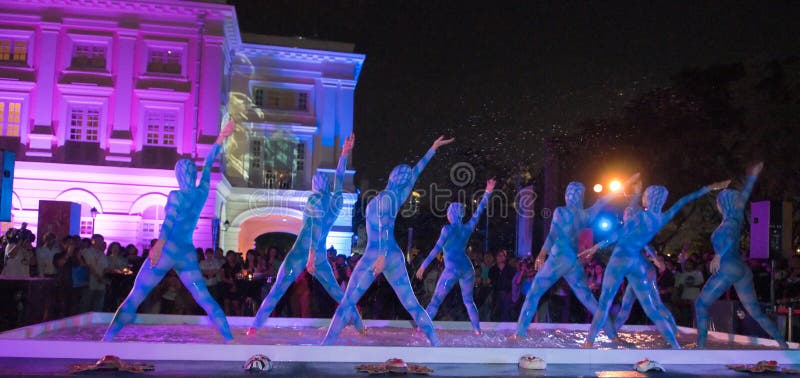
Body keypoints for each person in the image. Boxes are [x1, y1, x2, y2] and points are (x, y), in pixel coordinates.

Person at [102, 116, 235, 342]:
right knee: (204, 297)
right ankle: (230, 339)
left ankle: (107, 339)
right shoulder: (201, 193)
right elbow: (209, 162)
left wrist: (157, 247)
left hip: (168, 248)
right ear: (192, 174)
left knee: (136, 295)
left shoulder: (177, 196)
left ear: (179, 175)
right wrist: (222, 136)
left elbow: (168, 223)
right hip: (186, 251)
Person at [323, 136, 454, 346]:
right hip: (393, 255)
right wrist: (432, 149)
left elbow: (384, 226)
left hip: (379, 254)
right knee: (410, 302)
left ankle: (326, 345)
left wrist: (381, 256)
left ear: (392, 176)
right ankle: (436, 343)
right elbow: (416, 172)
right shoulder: (398, 195)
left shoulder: (386, 198)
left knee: (349, 300)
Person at [581, 178, 729, 349]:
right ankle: (676, 346)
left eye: (644, 195)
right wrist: (709, 187)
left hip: (620, 258)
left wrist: (595, 247)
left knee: (605, 301)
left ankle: (589, 342)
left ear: (649, 198)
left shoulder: (638, 215)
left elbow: (618, 235)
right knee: (651, 306)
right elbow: (685, 200)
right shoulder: (662, 217)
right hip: (636, 262)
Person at [247, 135, 363, 334]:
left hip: (302, 253)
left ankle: (253, 329)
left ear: (314, 186)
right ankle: (361, 326)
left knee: (277, 291)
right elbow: (339, 177)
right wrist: (344, 153)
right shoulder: (336, 201)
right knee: (337, 293)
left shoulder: (314, 200)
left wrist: (309, 257)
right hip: (319, 255)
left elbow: (315, 227)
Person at [514, 174, 640, 338]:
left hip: (558, 257)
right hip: (573, 259)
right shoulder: (586, 214)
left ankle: (519, 334)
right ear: (580, 197)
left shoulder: (561, 211)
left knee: (534, 293)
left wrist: (541, 254)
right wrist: (627, 183)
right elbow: (604, 199)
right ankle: (612, 334)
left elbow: (553, 235)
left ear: (567, 195)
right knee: (589, 299)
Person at [695, 163, 788, 348]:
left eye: (718, 203)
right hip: (741, 269)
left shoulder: (729, 222)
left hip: (729, 265)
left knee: (700, 304)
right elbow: (744, 196)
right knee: (755, 311)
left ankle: (700, 347)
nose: (717, 205)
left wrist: (719, 255)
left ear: (722, 204)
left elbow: (728, 238)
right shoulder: (735, 217)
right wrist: (752, 177)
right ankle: (783, 344)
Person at [415, 179, 495, 334]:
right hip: (467, 267)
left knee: (436, 301)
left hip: (452, 268)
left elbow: (436, 249)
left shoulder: (447, 229)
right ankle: (477, 330)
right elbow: (479, 211)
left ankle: (420, 329)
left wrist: (422, 266)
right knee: (469, 301)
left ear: (450, 214)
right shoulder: (467, 228)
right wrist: (488, 192)